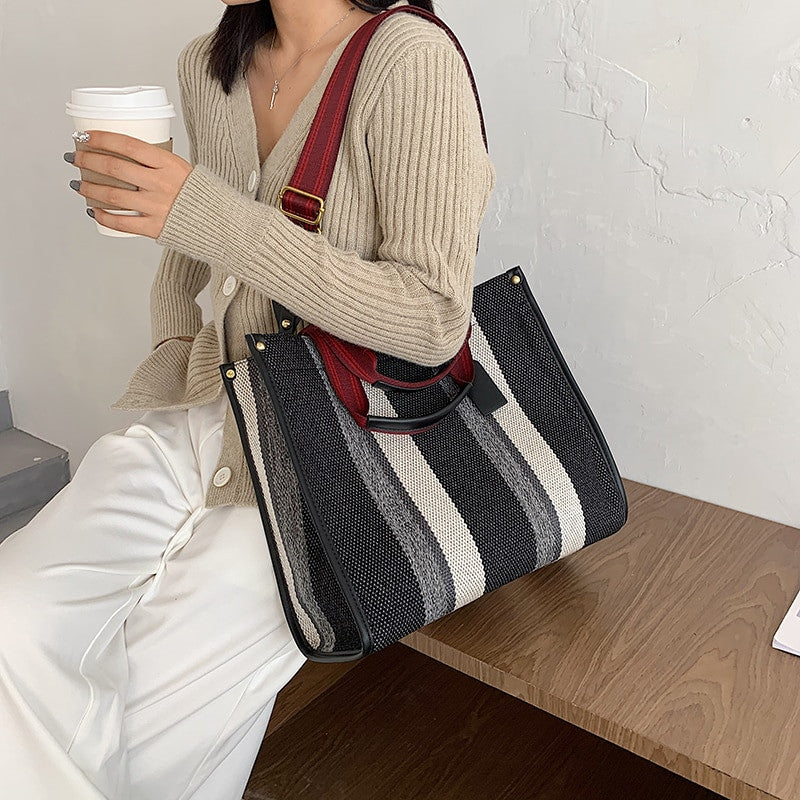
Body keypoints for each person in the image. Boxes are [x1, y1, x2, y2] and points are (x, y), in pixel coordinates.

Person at [0, 0, 496, 797]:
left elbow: (432, 317)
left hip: (336, 449)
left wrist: (201, 208)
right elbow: (186, 256)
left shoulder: (407, 58)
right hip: (202, 414)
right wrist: (172, 350)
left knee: (153, 721)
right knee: (14, 616)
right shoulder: (211, 65)